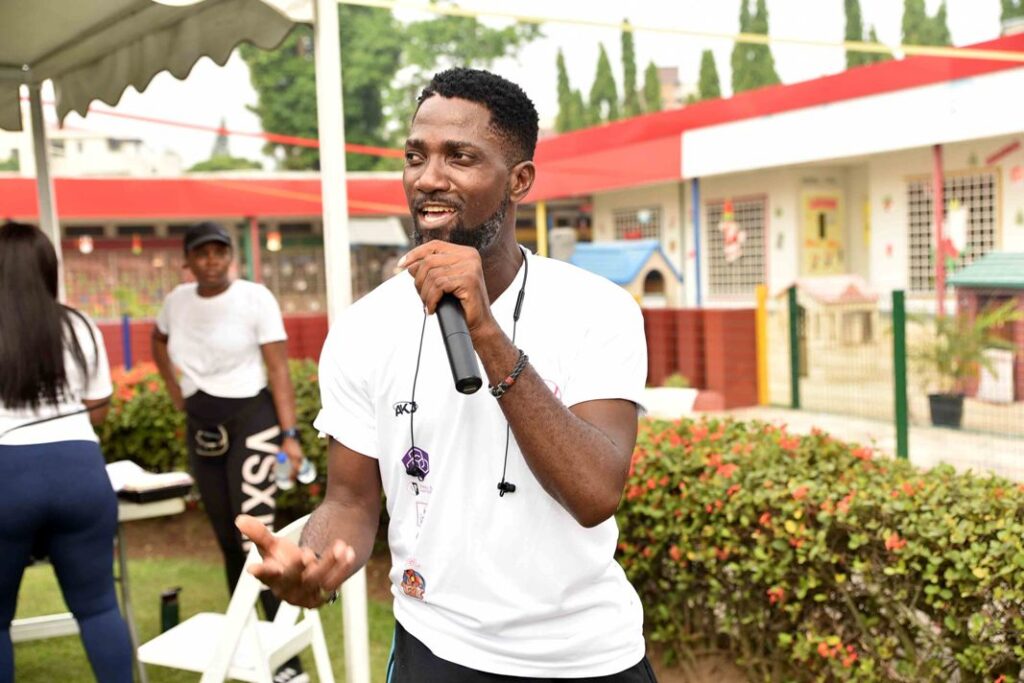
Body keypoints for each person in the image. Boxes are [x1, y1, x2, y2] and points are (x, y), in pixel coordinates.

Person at [238, 68, 658, 681]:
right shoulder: (362, 328)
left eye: (460, 157)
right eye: (416, 156)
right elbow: (351, 500)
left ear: (519, 180)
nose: (428, 178)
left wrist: (485, 331)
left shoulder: (598, 309)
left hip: (587, 657)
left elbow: (595, 494)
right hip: (436, 649)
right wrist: (314, 563)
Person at [152, 222, 307, 682]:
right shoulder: (176, 302)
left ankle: (286, 660)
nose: (212, 261)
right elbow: (158, 340)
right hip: (201, 425)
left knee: (257, 537)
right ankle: (248, 637)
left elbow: (278, 369)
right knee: (226, 539)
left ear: (231, 257)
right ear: (187, 260)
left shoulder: (255, 298)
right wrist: (174, 390)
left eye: (220, 252)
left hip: (252, 422)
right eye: (202, 253)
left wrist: (290, 434)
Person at [0, 221, 132, 682]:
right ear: (47, 268)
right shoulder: (79, 325)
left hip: (7, 474)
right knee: (98, 607)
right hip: (79, 470)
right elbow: (99, 407)